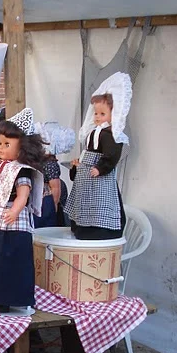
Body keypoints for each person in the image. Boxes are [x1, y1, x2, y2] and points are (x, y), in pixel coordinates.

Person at [0, 113, 45, 313]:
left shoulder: (21, 170)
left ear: (21, 149)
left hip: (12, 223)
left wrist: (15, 210)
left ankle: (12, 298)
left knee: (11, 260)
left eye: (7, 144)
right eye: (0, 143)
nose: (1, 148)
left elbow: (23, 194)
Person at [67, 72, 132, 240]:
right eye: (96, 113)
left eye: (102, 114)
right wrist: (78, 165)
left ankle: (99, 230)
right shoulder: (94, 133)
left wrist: (100, 168)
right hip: (87, 177)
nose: (97, 117)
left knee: (99, 204)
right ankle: (82, 228)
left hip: (99, 178)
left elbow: (111, 154)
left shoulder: (110, 134)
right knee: (85, 202)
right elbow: (88, 153)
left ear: (113, 114)